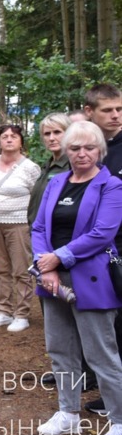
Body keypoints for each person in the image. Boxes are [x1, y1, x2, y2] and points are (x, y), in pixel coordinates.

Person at [31, 121, 122, 435]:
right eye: (75, 148)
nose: (82, 154)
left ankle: (120, 422)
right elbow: (39, 228)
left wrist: (58, 259)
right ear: (66, 151)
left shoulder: (111, 185)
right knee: (60, 349)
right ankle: (68, 412)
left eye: (89, 147)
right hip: (51, 279)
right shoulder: (55, 182)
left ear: (100, 150)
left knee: (101, 354)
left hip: (91, 278)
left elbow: (102, 233)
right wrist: (46, 266)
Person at [83, 83, 122, 417]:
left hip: (119, 246)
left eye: (119, 109)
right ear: (89, 112)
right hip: (92, 249)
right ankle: (109, 391)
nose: (116, 116)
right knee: (106, 325)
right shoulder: (87, 150)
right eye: (107, 110)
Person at [0, 124, 40, 332]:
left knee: (21, 270)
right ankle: (4, 311)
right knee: (0, 269)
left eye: (13, 136)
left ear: (21, 141)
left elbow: (38, 197)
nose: (8, 139)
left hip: (19, 224)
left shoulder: (30, 167)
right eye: (4, 136)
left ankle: (22, 314)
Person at [28, 113, 72, 226]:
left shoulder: (73, 167)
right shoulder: (46, 166)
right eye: (47, 134)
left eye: (57, 132)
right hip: (36, 231)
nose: (51, 138)